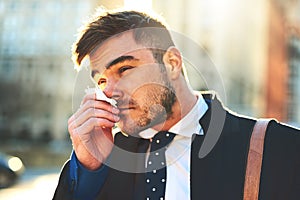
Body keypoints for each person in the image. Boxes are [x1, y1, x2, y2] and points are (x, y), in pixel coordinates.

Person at [53, 9, 300, 200]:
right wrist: (88, 167)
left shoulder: (281, 147)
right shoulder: (104, 161)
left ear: (172, 63)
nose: (108, 90)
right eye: (102, 80)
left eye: (125, 68)